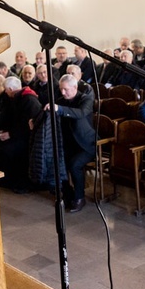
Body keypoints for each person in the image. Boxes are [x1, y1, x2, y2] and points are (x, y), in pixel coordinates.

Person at [48, 74, 96, 213]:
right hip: (69, 143)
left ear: (75, 87)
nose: (63, 93)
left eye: (66, 90)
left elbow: (80, 113)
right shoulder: (61, 100)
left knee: (74, 165)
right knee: (58, 162)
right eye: (61, 89)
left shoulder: (85, 99)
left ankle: (80, 198)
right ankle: (68, 194)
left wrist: (60, 109)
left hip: (87, 144)